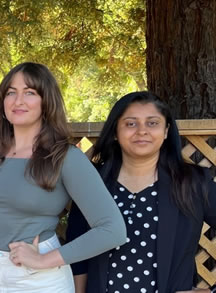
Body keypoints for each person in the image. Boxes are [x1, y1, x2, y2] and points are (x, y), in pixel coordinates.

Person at [0, 62, 126, 292]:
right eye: (11, 92)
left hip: (38, 277)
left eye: (29, 92)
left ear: (46, 102)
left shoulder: (65, 157)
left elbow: (113, 230)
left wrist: (43, 260)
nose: (18, 101)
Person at [66, 91, 216, 293]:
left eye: (152, 123)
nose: (142, 131)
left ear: (166, 130)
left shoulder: (194, 183)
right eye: (130, 123)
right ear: (115, 132)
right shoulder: (93, 182)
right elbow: (78, 255)